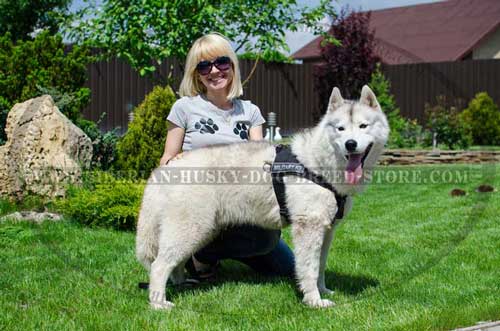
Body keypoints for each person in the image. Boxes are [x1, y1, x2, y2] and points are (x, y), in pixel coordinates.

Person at [159, 33, 295, 281]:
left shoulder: (251, 112)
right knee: (260, 240)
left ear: (232, 66)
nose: (214, 71)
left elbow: (261, 161)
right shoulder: (184, 108)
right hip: (203, 203)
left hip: (243, 202)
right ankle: (201, 254)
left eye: (221, 62)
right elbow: (166, 159)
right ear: (196, 73)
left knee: (284, 264)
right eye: (204, 66)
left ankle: (239, 250)